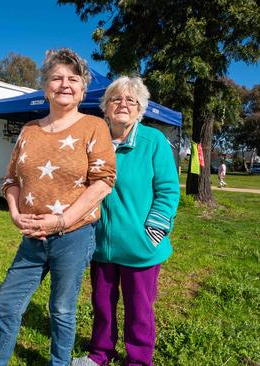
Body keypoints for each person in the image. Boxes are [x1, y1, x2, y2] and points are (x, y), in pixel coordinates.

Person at [0, 49, 117, 366]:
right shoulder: (29, 130)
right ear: (45, 88)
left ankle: (59, 363)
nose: (64, 84)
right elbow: (10, 180)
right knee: (9, 302)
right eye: (56, 78)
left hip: (74, 234)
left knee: (63, 308)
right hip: (32, 236)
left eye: (73, 79)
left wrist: (61, 221)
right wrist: (15, 213)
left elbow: (103, 182)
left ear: (83, 89)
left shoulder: (94, 126)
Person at [72, 76, 180, 366]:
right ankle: (100, 354)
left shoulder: (153, 141)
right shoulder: (93, 140)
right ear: (105, 108)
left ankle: (138, 360)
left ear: (140, 109)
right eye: (116, 99)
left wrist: (153, 232)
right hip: (100, 245)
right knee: (102, 305)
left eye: (131, 100)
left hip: (140, 246)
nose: (123, 105)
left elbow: (168, 190)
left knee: (139, 309)